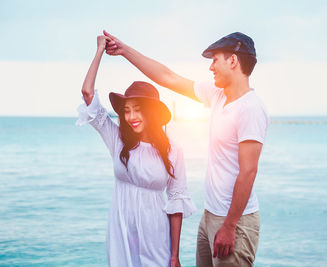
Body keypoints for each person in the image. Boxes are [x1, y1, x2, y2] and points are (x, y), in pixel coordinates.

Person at [103, 30, 268, 266]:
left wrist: (229, 226)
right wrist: (124, 50)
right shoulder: (218, 97)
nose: (211, 67)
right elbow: (167, 77)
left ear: (233, 60)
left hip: (235, 222)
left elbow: (248, 171)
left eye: (215, 60)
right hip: (211, 215)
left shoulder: (250, 108)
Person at [76, 35, 196, 267]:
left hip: (155, 233)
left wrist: (175, 255)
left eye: (138, 110)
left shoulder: (172, 149)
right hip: (121, 228)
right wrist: (100, 50)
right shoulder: (118, 139)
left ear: (150, 113)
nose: (131, 117)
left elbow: (176, 201)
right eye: (127, 110)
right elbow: (87, 94)